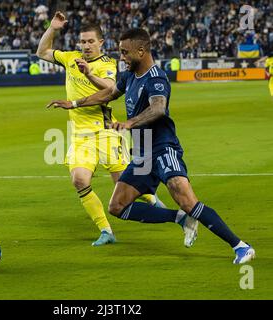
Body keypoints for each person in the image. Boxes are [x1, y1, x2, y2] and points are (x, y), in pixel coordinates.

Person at [47, 28, 256, 264]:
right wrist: (73, 103)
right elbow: (106, 94)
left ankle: (240, 246)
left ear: (141, 50)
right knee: (118, 206)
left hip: (163, 147)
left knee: (188, 201)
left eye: (125, 53)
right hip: (143, 151)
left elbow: (158, 108)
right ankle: (180, 218)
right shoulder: (128, 76)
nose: (122, 57)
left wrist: (129, 123)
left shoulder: (156, 78)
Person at [37, 12, 167, 246]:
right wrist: (53, 29)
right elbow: (42, 52)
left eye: (90, 41)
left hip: (106, 132)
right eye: (82, 41)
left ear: (100, 43)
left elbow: (109, 89)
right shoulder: (70, 58)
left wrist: (88, 72)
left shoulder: (108, 63)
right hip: (80, 136)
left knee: (123, 182)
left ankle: (151, 197)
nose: (85, 46)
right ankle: (106, 230)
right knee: (79, 179)